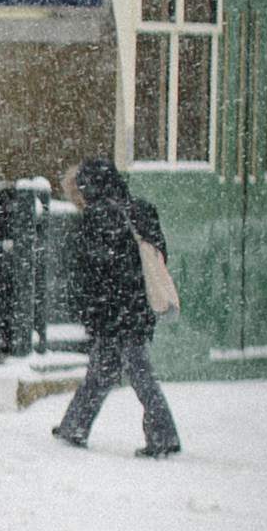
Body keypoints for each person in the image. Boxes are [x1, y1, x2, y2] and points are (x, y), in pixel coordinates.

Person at [49, 157, 181, 459]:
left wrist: (92, 311)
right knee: (102, 372)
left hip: (113, 312)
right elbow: (160, 256)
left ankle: (163, 436)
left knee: (138, 374)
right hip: (136, 309)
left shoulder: (97, 216)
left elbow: (95, 273)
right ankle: (74, 426)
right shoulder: (141, 209)